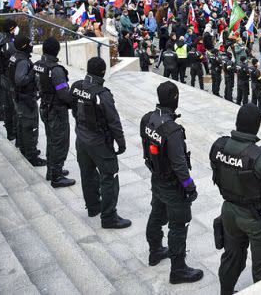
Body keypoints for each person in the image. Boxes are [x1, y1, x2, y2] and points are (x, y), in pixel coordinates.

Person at [210, 104, 261, 294]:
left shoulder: (219, 146)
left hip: (229, 212)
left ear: (237, 122)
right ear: (258, 126)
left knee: (231, 258)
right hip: (258, 218)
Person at [141, 82, 203, 284]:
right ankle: (178, 270)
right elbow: (179, 164)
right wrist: (190, 187)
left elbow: (145, 150)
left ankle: (155, 251)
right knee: (178, 225)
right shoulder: (172, 129)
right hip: (172, 185)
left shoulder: (148, 118)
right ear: (175, 98)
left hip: (157, 178)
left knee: (157, 213)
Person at [70, 57, 131, 229]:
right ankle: (109, 217)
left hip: (81, 138)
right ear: (103, 72)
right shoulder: (102, 94)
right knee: (109, 175)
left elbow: (71, 104)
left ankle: (93, 207)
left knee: (87, 173)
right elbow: (113, 121)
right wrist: (121, 142)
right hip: (98, 142)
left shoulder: (76, 86)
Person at [33, 37, 75, 187]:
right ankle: (56, 176)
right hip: (56, 110)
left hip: (44, 106)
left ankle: (52, 170)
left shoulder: (37, 65)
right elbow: (63, 94)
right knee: (60, 141)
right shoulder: (55, 70)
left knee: (51, 139)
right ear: (57, 50)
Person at [9, 34, 45, 165]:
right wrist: (32, 72)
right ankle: (31, 155)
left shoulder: (15, 56)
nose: (31, 46)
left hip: (19, 96)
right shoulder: (23, 61)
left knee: (22, 123)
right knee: (30, 126)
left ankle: (25, 149)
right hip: (25, 98)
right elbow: (20, 80)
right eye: (29, 44)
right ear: (24, 46)